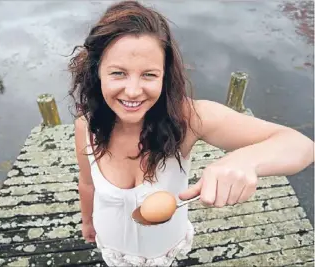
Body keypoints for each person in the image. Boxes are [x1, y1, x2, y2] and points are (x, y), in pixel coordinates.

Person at [67, 1, 314, 266]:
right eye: (118, 73)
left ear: (165, 75)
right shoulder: (87, 126)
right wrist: (88, 221)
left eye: (149, 74)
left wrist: (245, 160)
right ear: (97, 72)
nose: (133, 91)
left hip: (167, 251)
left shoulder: (188, 119)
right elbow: (87, 183)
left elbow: (301, 146)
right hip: (113, 248)